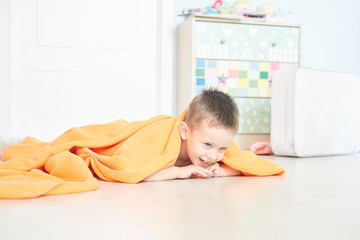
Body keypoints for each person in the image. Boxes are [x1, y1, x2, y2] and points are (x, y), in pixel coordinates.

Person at [143, 88, 242, 181]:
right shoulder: (164, 140)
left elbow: (245, 166)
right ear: (184, 131)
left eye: (222, 149)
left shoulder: (217, 139)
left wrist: (221, 171)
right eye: (208, 145)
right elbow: (136, 173)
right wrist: (179, 172)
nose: (213, 156)